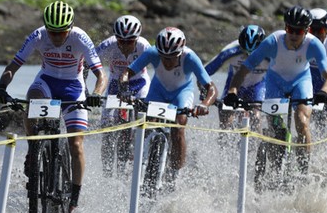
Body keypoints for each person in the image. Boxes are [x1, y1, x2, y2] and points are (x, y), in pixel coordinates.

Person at [0, 1, 107, 212]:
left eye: (61, 33)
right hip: (46, 81)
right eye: (52, 32)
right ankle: (33, 149)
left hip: (73, 87)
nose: (55, 38)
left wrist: (97, 95)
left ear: (69, 29)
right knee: (32, 98)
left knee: (76, 145)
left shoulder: (80, 37)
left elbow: (101, 75)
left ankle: (74, 197)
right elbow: (13, 66)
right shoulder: (38, 35)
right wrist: (1, 87)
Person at [225, 5, 327, 174]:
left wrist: (324, 92)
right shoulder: (273, 41)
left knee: (301, 121)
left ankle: (303, 170)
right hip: (275, 82)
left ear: (307, 31)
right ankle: (275, 163)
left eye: (298, 31)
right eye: (290, 29)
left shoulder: (313, 44)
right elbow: (244, 69)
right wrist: (232, 91)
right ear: (285, 27)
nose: (292, 35)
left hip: (301, 81)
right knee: (275, 127)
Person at [119, 26, 217, 185]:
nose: (167, 62)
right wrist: (124, 89)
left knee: (178, 127)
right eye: (164, 57)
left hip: (181, 92)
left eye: (172, 58)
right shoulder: (152, 52)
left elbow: (211, 88)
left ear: (180, 53)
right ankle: (135, 163)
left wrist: (204, 104)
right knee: (145, 123)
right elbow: (127, 73)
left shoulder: (190, 57)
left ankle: (174, 175)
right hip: (158, 90)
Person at [93, 15, 152, 177]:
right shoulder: (108, 44)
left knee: (144, 119)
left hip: (139, 83)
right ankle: (107, 172)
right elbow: (86, 62)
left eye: (129, 41)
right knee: (106, 127)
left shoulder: (144, 46)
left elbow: (161, 68)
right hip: (114, 84)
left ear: (137, 39)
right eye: (121, 41)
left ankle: (139, 151)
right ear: (116, 38)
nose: (125, 45)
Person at [204, 24, 267, 132]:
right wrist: (203, 90)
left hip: (257, 85)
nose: (249, 57)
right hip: (234, 86)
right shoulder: (231, 51)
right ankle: (224, 145)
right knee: (226, 121)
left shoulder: (269, 54)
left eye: (253, 54)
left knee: (255, 118)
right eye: (245, 52)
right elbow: (204, 72)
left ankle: (255, 145)